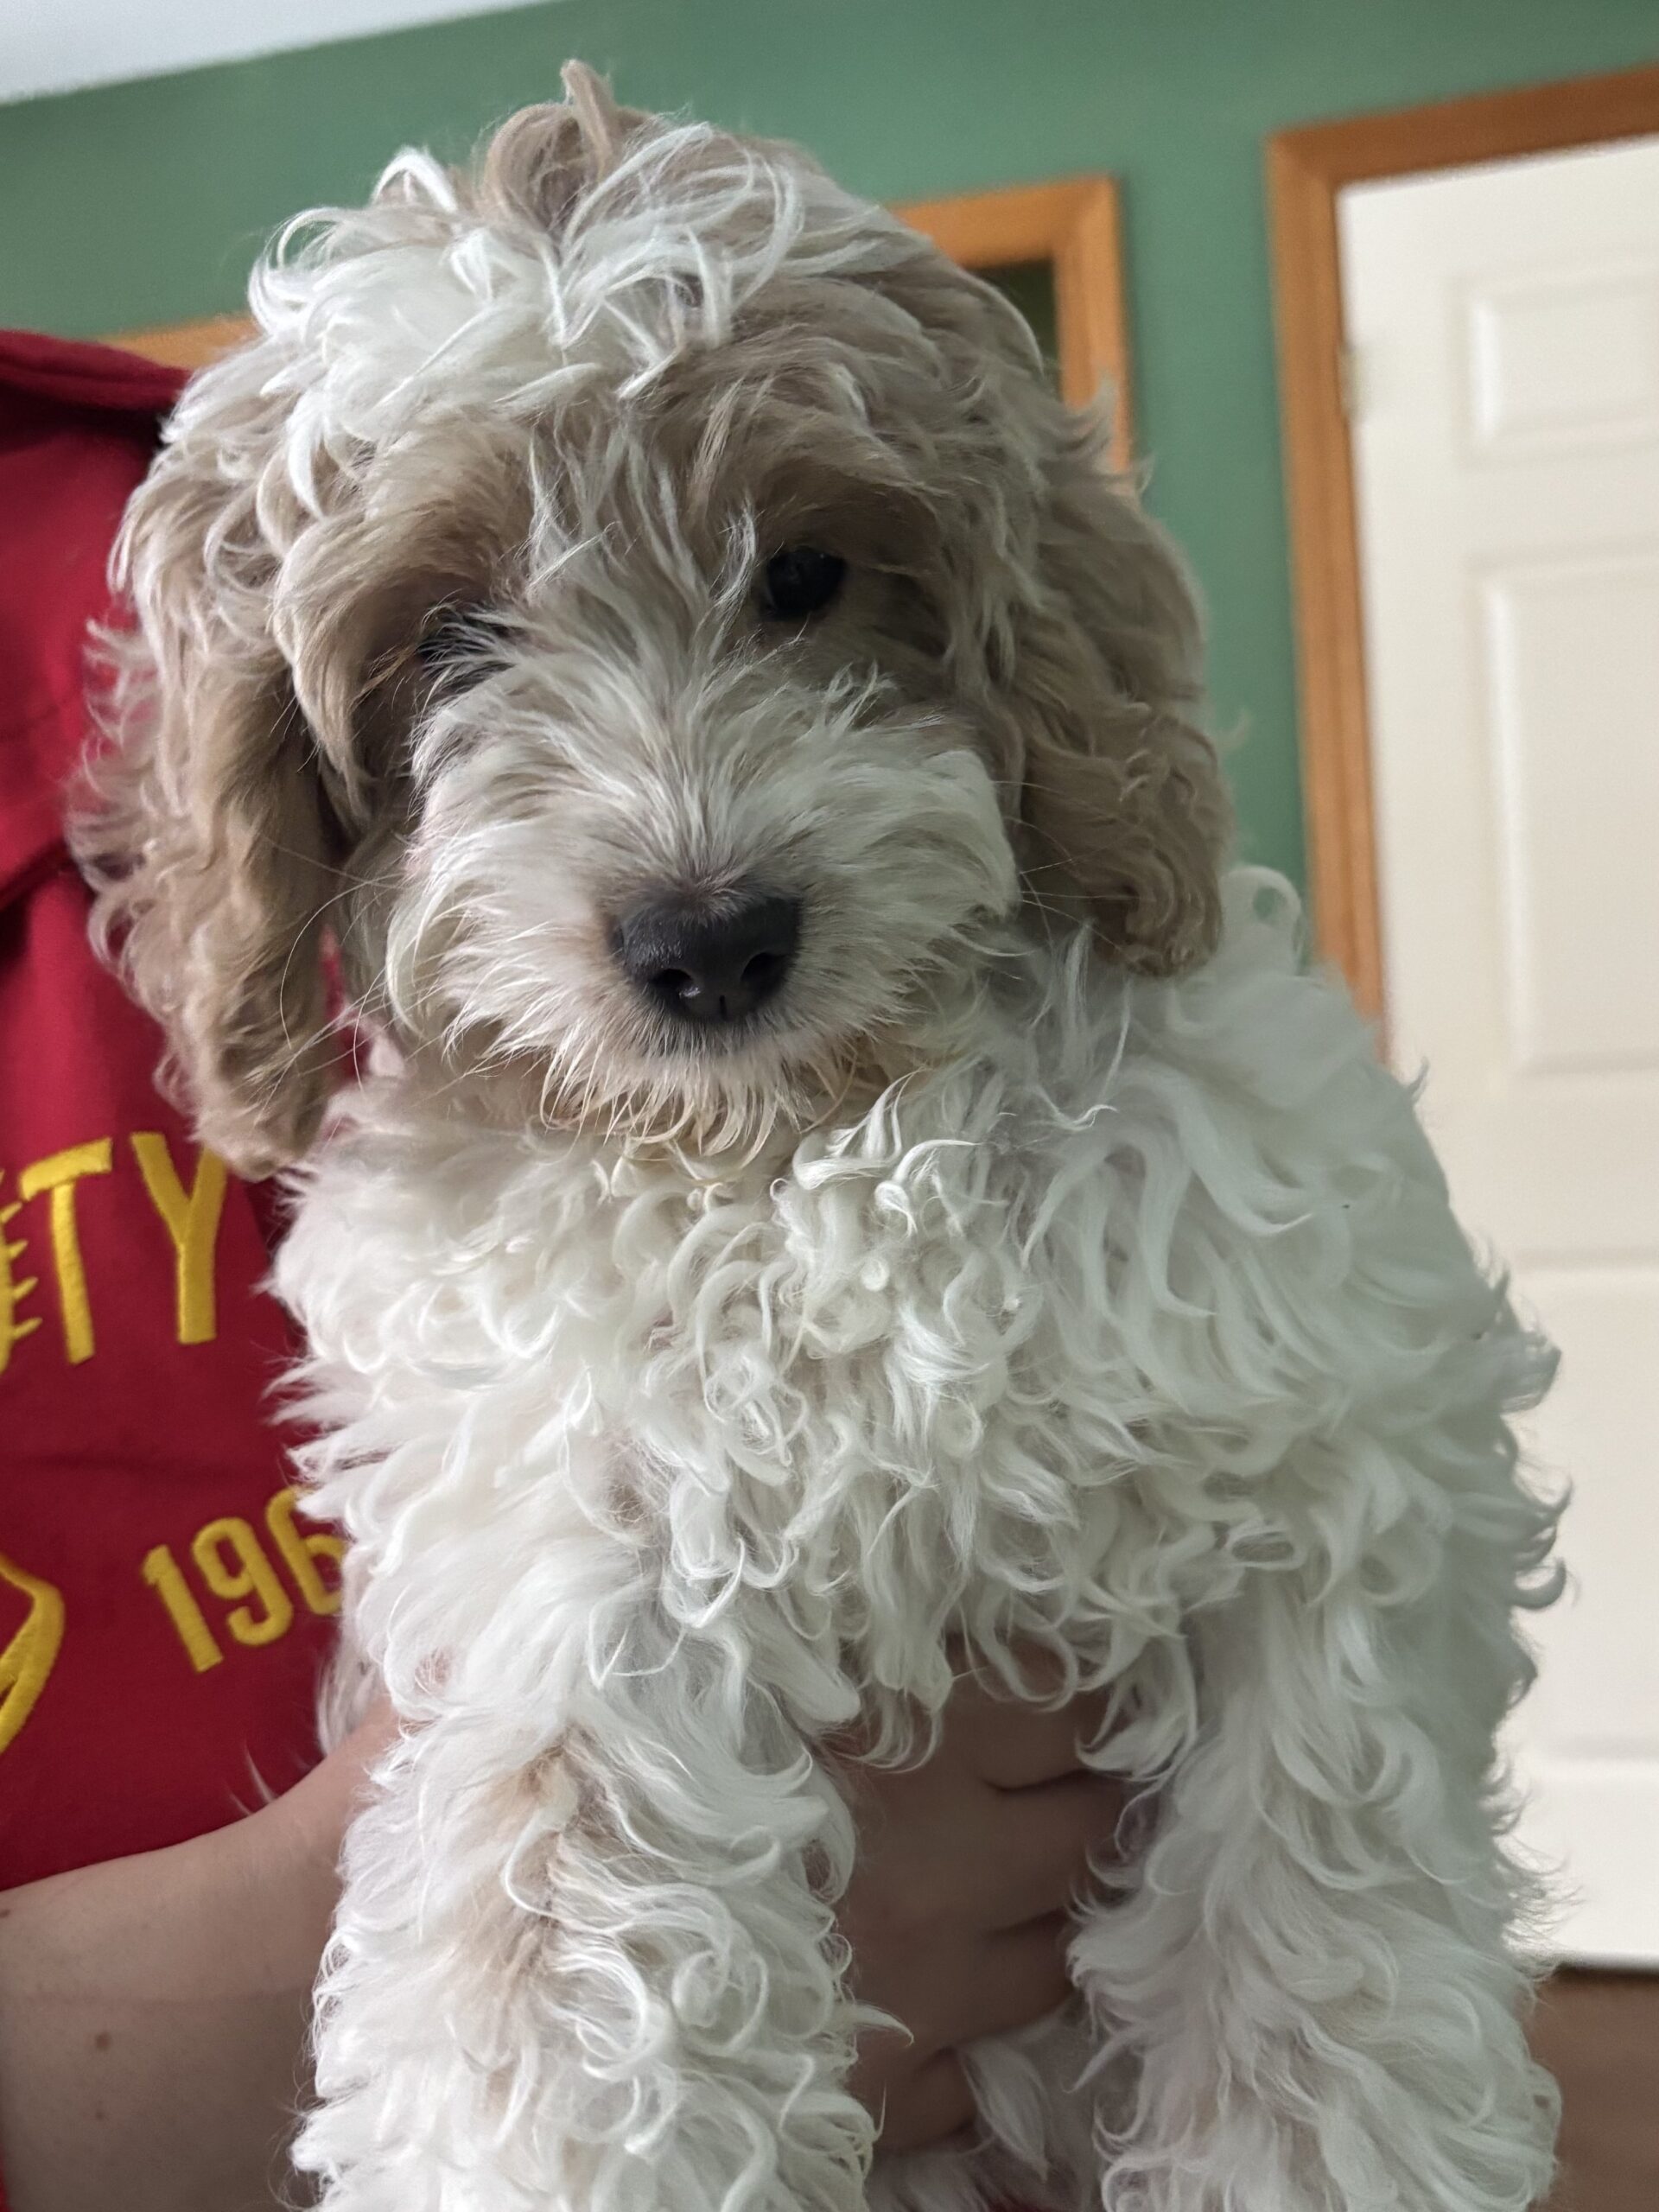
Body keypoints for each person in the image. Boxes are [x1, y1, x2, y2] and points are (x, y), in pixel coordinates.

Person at [0, 329, 1126, 2211]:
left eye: (792, 583)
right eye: (461, 651)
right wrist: (485, 1933)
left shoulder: (188, 490)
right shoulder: (270, 557)